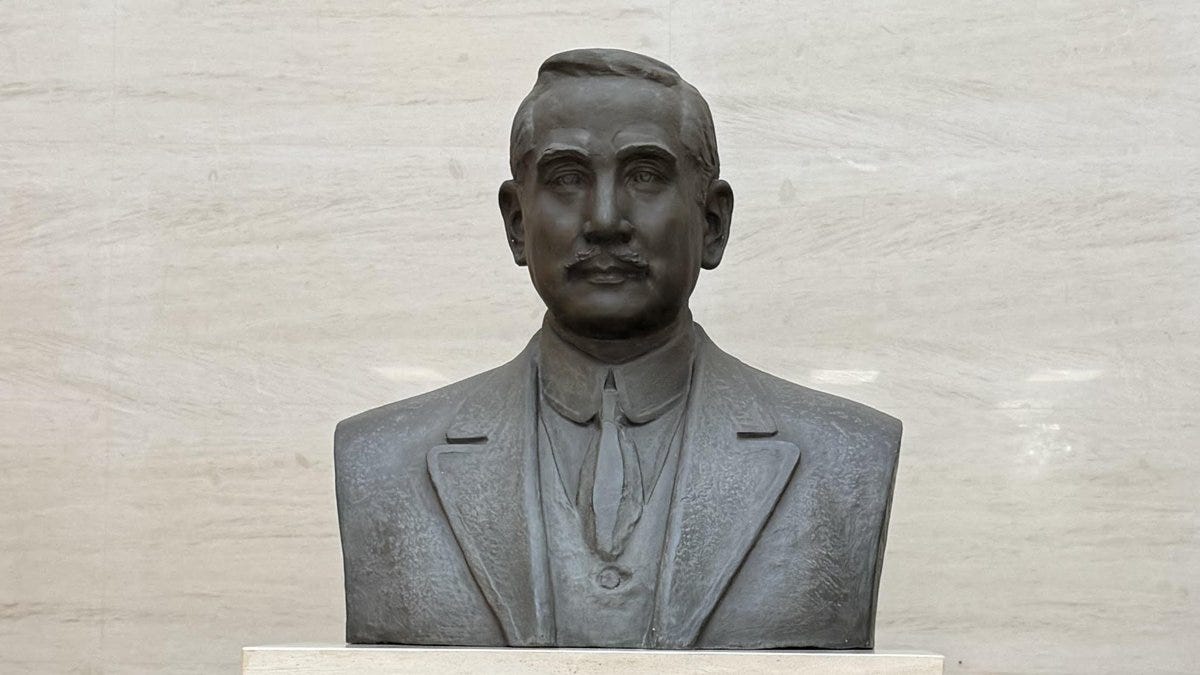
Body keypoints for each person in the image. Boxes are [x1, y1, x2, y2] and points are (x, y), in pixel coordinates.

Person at [335, 48, 902, 649]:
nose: (605, 219)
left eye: (646, 175)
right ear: (517, 225)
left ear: (713, 223)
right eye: (568, 178)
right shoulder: (382, 460)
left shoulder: (846, 457)